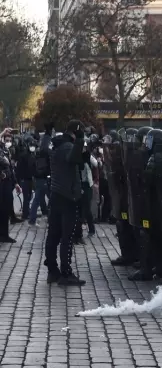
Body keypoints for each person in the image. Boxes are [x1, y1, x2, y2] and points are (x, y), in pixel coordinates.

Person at [44, 120, 87, 286]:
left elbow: (43, 150)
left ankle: (52, 271)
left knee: (53, 235)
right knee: (66, 237)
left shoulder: (56, 146)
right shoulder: (68, 147)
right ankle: (66, 273)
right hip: (68, 197)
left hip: (55, 194)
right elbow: (74, 158)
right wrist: (80, 141)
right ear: (76, 132)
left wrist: (47, 134)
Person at [28, 130, 51, 226]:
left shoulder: (37, 152)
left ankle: (33, 219)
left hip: (38, 179)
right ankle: (34, 219)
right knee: (50, 198)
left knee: (38, 199)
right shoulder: (46, 152)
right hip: (44, 178)